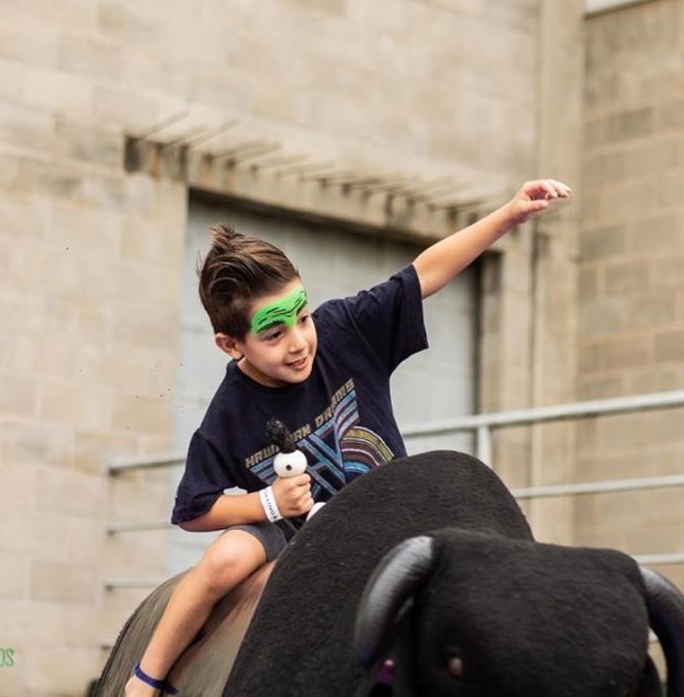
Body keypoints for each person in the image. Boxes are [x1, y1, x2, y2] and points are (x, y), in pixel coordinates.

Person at [125, 179, 572, 696]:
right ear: (231, 345)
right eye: (274, 333)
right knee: (227, 559)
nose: (298, 342)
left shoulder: (344, 330)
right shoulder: (228, 415)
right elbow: (194, 510)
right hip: (298, 538)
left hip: (390, 515)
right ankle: (146, 677)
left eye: (303, 317)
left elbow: (423, 274)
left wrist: (509, 215)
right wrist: (267, 503)